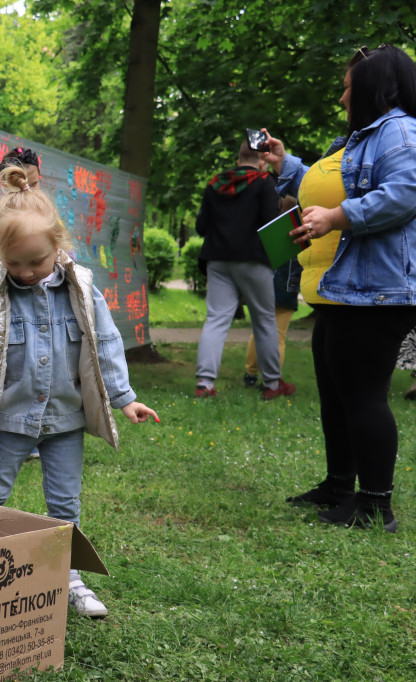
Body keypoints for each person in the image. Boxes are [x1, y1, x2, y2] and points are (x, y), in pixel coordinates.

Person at [0, 165, 159, 618]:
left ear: (59, 248)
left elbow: (105, 343)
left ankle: (68, 577)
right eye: (14, 263)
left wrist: (125, 398)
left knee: (65, 502)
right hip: (12, 417)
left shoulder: (82, 291)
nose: (24, 272)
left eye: (35, 262)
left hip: (66, 420)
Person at [263, 44, 416, 532]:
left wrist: (338, 217)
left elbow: (404, 193)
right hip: (342, 289)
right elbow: (328, 183)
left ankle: (375, 507)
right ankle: (338, 485)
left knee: (364, 395)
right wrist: (290, 170)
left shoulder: (401, 132)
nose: (343, 98)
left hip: (376, 292)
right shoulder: (361, 137)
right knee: (337, 392)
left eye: (349, 88)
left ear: (377, 87)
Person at [193, 141, 295, 399]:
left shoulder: (215, 183)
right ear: (262, 159)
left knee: (216, 319)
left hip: (217, 260)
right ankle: (272, 385)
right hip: (254, 260)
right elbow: (272, 223)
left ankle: (205, 383)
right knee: (264, 321)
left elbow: (201, 227)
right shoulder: (264, 182)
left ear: (238, 158)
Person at [243, 199, 302, 387]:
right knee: (279, 336)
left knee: (258, 331)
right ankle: (273, 379)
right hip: (286, 288)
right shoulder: (298, 232)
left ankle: (250, 374)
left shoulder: (265, 232)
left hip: (263, 285)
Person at [0, 147, 41, 268]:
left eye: (34, 184)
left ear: (39, 176)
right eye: (20, 185)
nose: (28, 190)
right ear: (5, 183)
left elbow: (69, 254)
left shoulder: (46, 212)